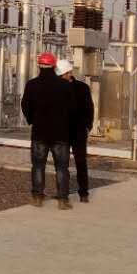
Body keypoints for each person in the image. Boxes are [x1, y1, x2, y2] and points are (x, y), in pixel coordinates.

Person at [21, 51, 72, 209]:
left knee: (38, 166)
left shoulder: (32, 85)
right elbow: (73, 109)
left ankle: (37, 197)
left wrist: (32, 120)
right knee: (62, 168)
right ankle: (63, 200)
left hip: (39, 133)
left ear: (39, 66)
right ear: (54, 66)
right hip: (61, 134)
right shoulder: (65, 86)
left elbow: (25, 105)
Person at [58, 59, 94, 202]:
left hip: (78, 131)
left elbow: (90, 108)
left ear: (68, 73)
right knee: (63, 164)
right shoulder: (58, 88)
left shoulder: (82, 88)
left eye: (62, 75)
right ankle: (63, 193)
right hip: (63, 131)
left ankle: (83, 193)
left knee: (80, 162)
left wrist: (88, 127)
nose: (61, 77)